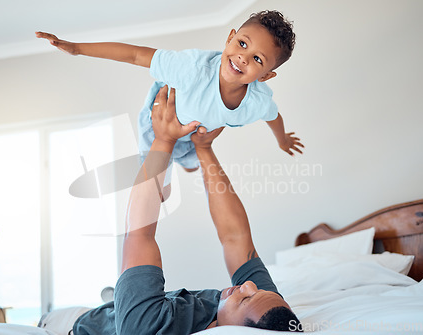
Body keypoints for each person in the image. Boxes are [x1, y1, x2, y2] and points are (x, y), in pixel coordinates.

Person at [71, 86, 301, 334]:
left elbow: (138, 235)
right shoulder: (268, 308)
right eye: (257, 290)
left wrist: (163, 140)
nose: (248, 286)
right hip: (121, 308)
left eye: (245, 298)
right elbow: (236, 237)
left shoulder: (149, 328)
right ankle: (118, 297)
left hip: (80, 324)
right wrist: (204, 148)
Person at [36, 10, 304, 181]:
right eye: (242, 44)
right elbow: (136, 54)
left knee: (190, 165)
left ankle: (184, 164)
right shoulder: (191, 68)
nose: (242, 58)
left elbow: (273, 116)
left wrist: (281, 140)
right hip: (158, 125)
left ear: (265, 76)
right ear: (230, 38)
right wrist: (78, 48)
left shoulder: (256, 101)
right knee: (156, 191)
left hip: (193, 135)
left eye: (257, 59)